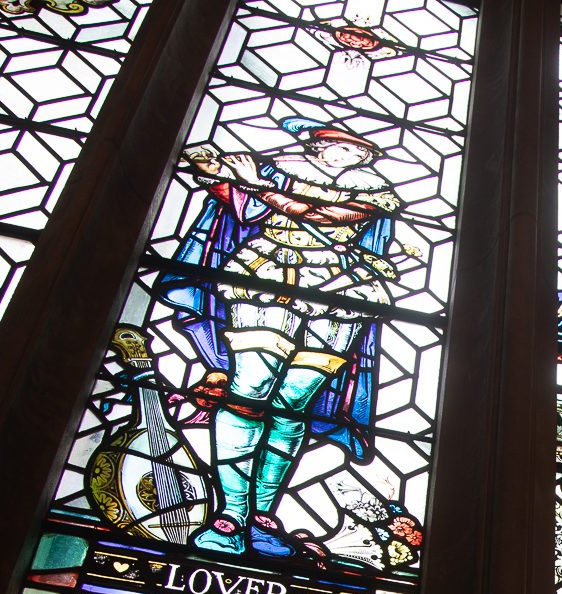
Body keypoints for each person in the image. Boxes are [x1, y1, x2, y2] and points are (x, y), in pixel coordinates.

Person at [160, 118, 404, 559]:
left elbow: (320, 214)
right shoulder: (278, 169)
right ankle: (230, 514)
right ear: (316, 147)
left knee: (292, 405)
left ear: (364, 159)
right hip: (267, 279)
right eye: (332, 145)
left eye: (353, 151)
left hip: (341, 290)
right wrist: (222, 176)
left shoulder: (372, 190)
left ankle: (262, 518)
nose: (341, 154)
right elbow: (241, 206)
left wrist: (256, 185)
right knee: (248, 394)